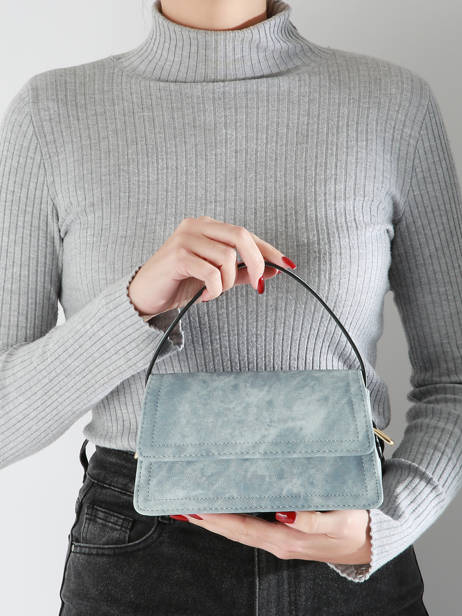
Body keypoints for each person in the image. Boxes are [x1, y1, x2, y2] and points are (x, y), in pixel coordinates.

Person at [1, 0, 460, 613]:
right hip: (140, 555)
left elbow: (454, 381)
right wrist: (136, 304)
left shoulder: (394, 104)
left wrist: (389, 524)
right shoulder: (49, 114)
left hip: (349, 542)